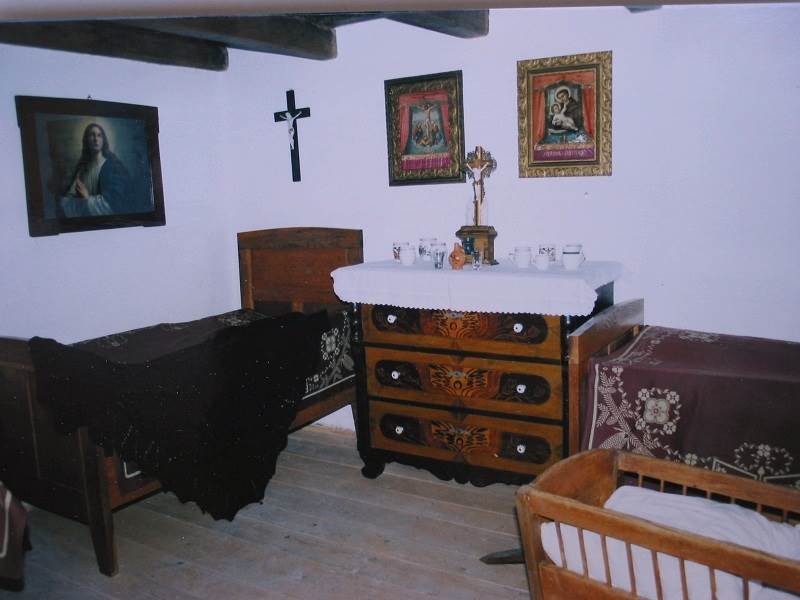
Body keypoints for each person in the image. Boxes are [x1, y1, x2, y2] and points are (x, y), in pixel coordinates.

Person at [59, 123, 134, 217]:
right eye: (92, 135)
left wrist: (87, 198)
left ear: (103, 140)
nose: (96, 139)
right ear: (86, 140)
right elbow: (70, 196)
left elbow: (114, 203)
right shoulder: (82, 168)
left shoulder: (112, 166)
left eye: (99, 135)